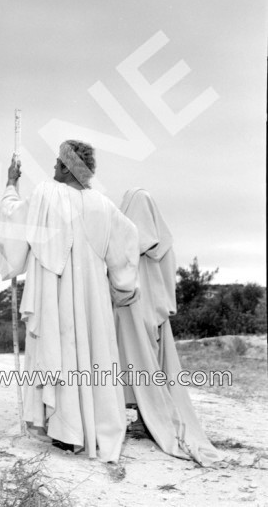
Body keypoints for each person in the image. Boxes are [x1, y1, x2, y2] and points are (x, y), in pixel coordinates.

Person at [0, 141, 140, 463]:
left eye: (57, 163)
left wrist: (11, 184)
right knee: (91, 355)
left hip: (54, 294)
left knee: (60, 351)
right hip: (92, 296)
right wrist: (123, 285)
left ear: (64, 167)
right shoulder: (103, 205)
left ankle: (65, 431)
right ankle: (88, 429)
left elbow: (14, 218)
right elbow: (128, 239)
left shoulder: (47, 194)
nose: (53, 169)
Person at [114, 188, 221, 466]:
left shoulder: (127, 244)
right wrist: (163, 310)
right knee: (149, 368)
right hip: (153, 312)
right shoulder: (165, 242)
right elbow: (167, 282)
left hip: (130, 310)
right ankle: (146, 420)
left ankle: (141, 419)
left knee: (130, 364)